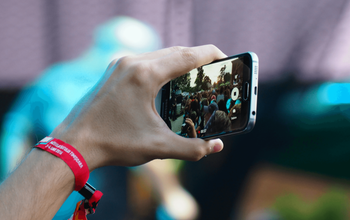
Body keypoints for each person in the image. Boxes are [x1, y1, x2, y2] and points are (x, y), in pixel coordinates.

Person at [0, 45, 225, 220]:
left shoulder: (49, 78)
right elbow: (145, 147)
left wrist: (14, 188)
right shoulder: (122, 82)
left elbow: (13, 135)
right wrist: (171, 195)